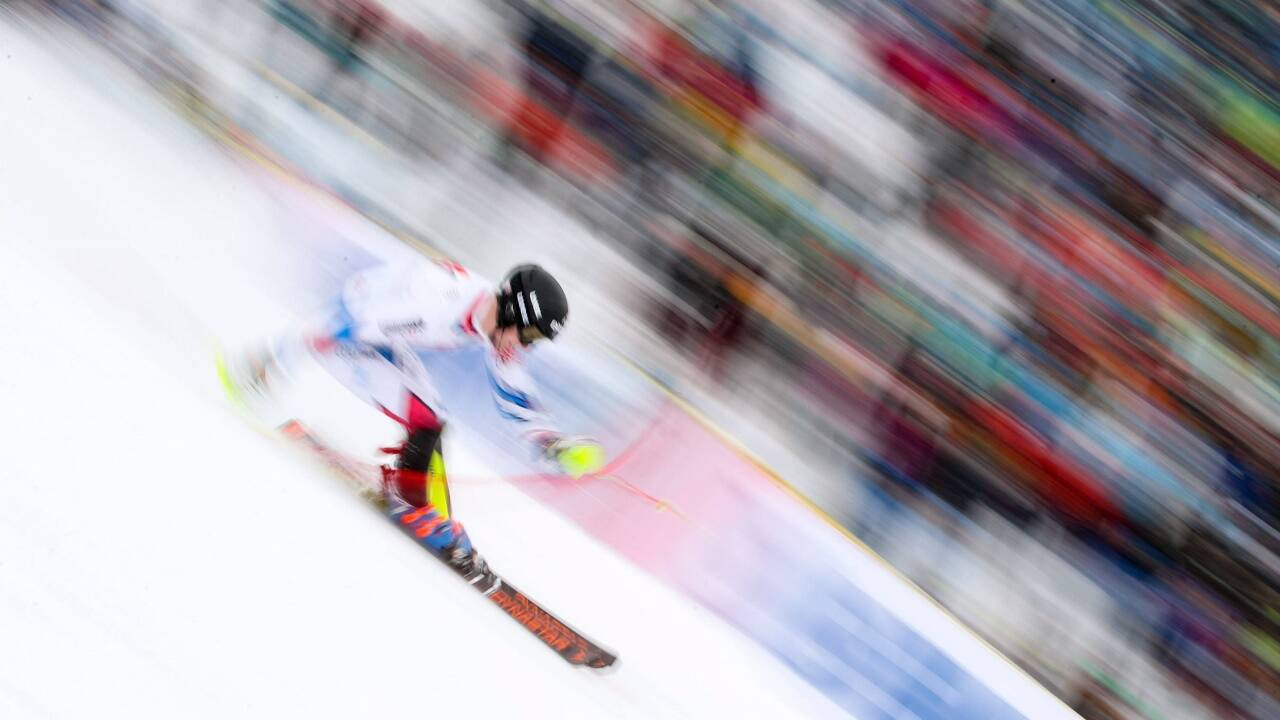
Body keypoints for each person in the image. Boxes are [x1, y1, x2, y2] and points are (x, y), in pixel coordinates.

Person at [227, 259, 605, 569]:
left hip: (378, 334)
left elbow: (514, 394)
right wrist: (274, 357)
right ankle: (413, 504)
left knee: (433, 419)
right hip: (350, 333)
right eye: (530, 335)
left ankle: (423, 505)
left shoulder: (495, 323)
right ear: (511, 311)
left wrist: (552, 443)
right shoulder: (435, 307)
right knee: (427, 419)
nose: (527, 346)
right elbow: (347, 321)